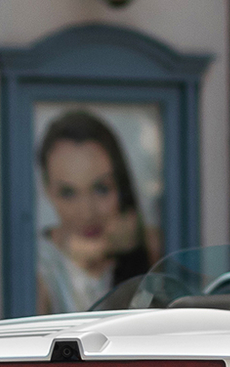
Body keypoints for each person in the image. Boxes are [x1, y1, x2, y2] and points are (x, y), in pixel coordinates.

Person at [34, 109, 159, 313]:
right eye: (68, 193)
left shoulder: (148, 247)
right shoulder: (39, 270)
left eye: (101, 189)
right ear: (49, 193)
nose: (87, 213)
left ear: (121, 188)